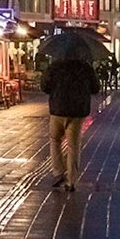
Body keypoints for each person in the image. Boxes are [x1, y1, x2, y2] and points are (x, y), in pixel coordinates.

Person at [42, 56, 101, 192]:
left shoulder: (55, 66)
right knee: (73, 145)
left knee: (55, 139)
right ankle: (71, 181)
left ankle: (58, 172)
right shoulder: (85, 67)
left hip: (57, 109)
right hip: (77, 111)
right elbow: (95, 88)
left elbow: (44, 86)